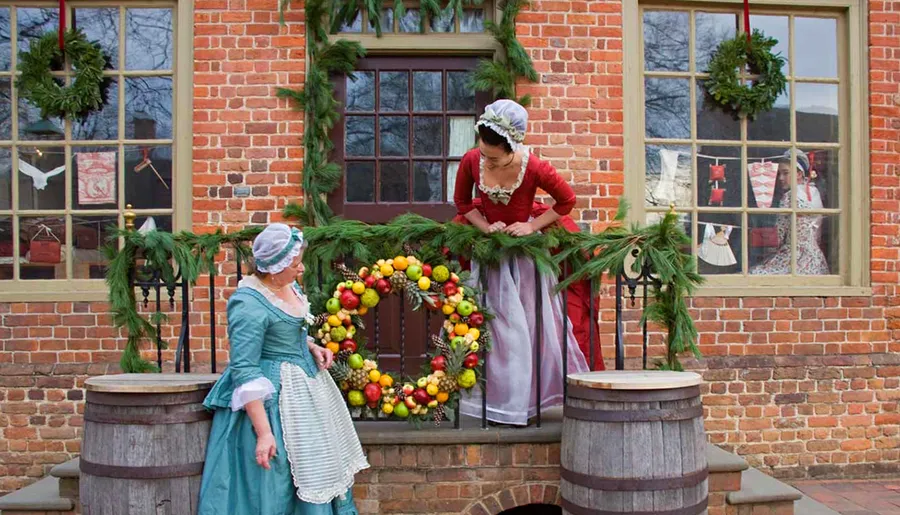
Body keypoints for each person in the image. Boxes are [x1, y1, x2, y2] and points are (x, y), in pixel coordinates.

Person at [198, 224, 368, 515]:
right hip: (272, 400)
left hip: (307, 389)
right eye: (295, 264)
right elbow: (245, 369)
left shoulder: (287, 284)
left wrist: (312, 346)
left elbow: (291, 331)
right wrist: (264, 433)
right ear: (274, 268)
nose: (301, 269)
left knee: (319, 467)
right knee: (277, 481)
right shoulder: (249, 303)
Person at [452, 99, 598, 426]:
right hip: (490, 258)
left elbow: (567, 201)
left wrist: (531, 226)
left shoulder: (534, 167)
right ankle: (498, 404)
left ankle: (528, 404)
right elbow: (462, 202)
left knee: (529, 330)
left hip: (527, 260)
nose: (486, 160)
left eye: (494, 157)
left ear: (512, 146)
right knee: (496, 332)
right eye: (483, 152)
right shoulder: (471, 161)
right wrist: (486, 227)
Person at [750, 150, 829, 276]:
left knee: (755, 274)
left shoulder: (790, 196)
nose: (780, 178)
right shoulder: (814, 192)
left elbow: (779, 235)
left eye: (785, 173)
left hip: (795, 258)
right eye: (779, 174)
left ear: (799, 173)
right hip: (815, 258)